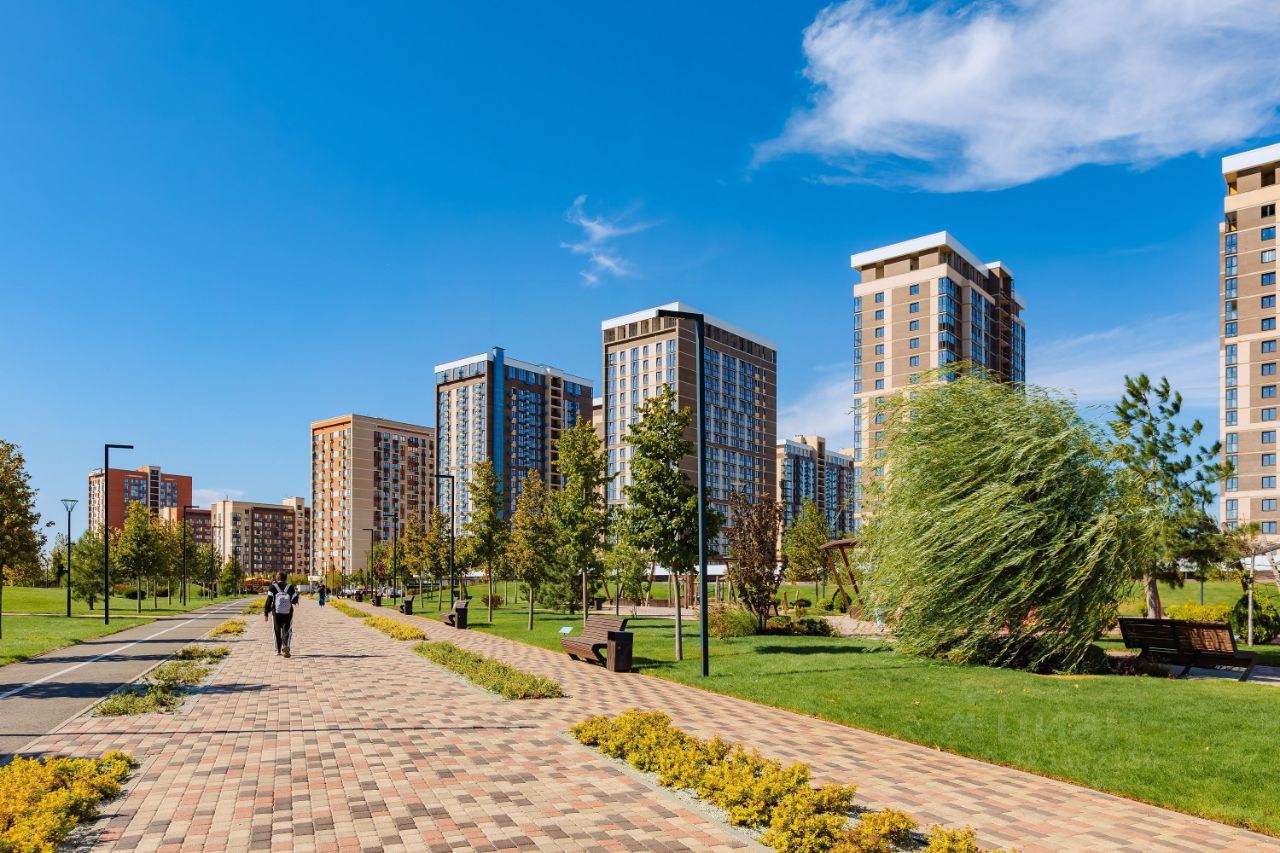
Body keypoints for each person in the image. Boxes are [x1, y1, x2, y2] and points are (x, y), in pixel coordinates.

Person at [264, 571, 299, 657]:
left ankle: (278, 651)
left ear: (277, 578)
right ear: (285, 578)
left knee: (276, 631)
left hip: (276, 613)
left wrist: (266, 613)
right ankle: (286, 645)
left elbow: (269, 600)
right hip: (288, 612)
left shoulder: (272, 587)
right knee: (287, 630)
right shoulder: (290, 587)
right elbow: (294, 600)